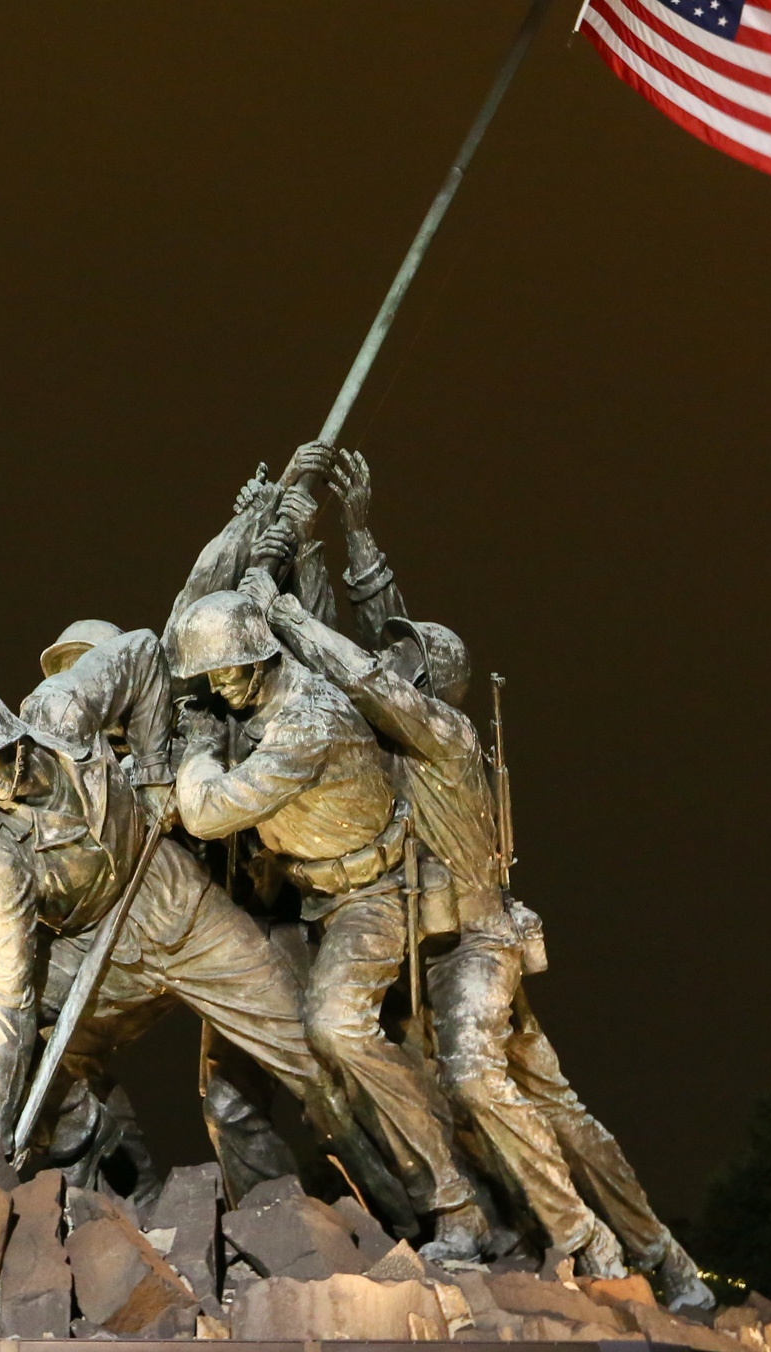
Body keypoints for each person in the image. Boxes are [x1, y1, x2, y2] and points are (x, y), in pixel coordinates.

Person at [254, 448, 715, 1305]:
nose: (382, 661)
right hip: (421, 946)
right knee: (554, 1105)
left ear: (425, 685)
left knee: (478, 1078)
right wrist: (331, 534)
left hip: (478, 940)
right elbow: (371, 639)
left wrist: (281, 610)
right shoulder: (390, 734)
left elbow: (355, 666)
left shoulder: (444, 735)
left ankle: (600, 1246)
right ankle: (658, 1254)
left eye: (400, 664)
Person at [0, 626, 405, 1219]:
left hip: (184, 912)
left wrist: (149, 772)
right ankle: (96, 1155)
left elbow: (144, 651)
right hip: (95, 953)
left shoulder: (61, 710)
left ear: (11, 733)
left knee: (314, 1061)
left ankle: (409, 1209)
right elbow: (7, 991)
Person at [166, 586, 491, 1259]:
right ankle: (275, 1230)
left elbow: (206, 812)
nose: (219, 691)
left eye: (227, 674)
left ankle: (457, 1205)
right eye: (209, 680)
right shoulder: (258, 702)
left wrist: (196, 748)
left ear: (262, 662)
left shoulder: (308, 723)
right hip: (295, 896)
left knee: (338, 1027)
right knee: (230, 1062)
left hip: (367, 897)